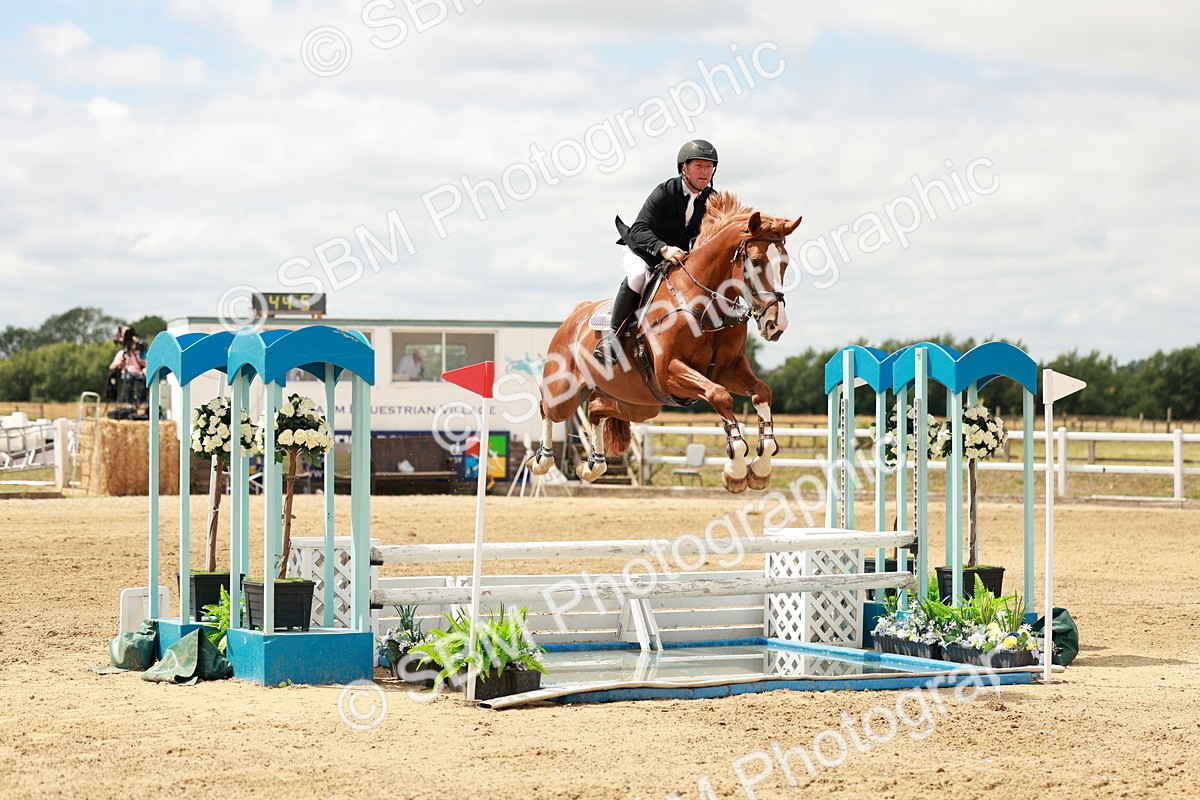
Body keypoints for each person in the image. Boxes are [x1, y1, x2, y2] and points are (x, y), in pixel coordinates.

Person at [594, 139, 719, 366]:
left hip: (679, 259)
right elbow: (640, 228)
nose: (705, 172)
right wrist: (664, 248)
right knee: (638, 276)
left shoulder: (712, 199)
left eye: (709, 167)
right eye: (699, 166)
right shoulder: (664, 192)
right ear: (684, 168)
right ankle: (612, 336)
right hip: (645, 251)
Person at [109, 327, 147, 405]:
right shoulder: (122, 353)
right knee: (129, 377)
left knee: (148, 381)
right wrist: (120, 362)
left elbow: (145, 363)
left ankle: (141, 401)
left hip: (138, 374)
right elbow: (111, 367)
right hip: (127, 375)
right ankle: (130, 403)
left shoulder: (139, 354)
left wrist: (143, 363)